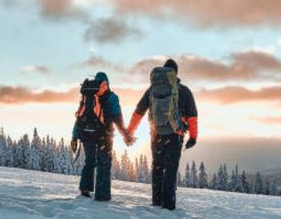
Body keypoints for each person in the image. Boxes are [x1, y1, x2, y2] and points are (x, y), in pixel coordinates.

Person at [126, 59, 198, 210]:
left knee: (157, 167)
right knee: (170, 170)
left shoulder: (152, 90)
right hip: (175, 134)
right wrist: (193, 137)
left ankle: (156, 201)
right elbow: (192, 116)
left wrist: (130, 131)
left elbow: (139, 111)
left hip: (156, 134)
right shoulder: (183, 91)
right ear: (175, 73)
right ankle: (168, 205)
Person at [71, 72, 131, 201]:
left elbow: (79, 117)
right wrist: (125, 134)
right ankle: (102, 195)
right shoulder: (112, 97)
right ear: (107, 83)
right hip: (105, 135)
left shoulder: (88, 95)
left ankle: (85, 190)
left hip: (87, 133)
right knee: (104, 164)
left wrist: (74, 136)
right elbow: (117, 118)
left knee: (89, 161)